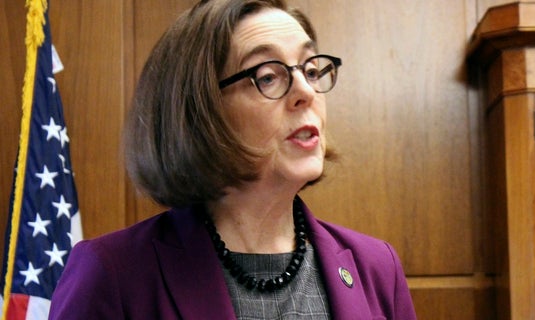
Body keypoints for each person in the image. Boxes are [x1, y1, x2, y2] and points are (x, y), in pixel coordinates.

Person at [49, 0, 417, 319]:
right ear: (201, 112)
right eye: (268, 76)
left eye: (311, 70)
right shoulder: (113, 273)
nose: (306, 91)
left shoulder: (376, 266)